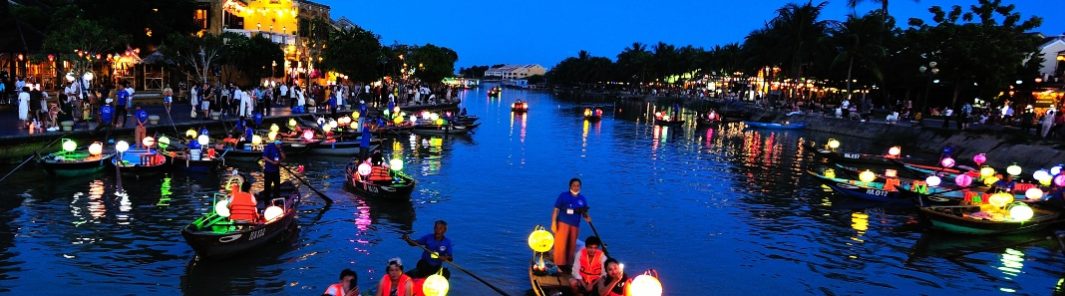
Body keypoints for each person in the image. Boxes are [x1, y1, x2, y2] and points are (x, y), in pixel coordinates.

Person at [552, 178, 592, 268]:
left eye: (578, 186)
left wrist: (587, 217)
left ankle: (569, 264)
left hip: (575, 225)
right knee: (561, 244)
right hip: (563, 222)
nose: (576, 187)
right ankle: (559, 264)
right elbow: (556, 210)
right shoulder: (563, 196)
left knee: (571, 245)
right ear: (570, 186)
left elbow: (585, 212)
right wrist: (553, 223)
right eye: (574, 185)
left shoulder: (582, 199)